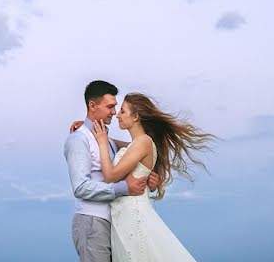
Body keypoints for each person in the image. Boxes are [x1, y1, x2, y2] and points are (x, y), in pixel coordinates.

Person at [91, 92, 215, 261]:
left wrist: (102, 143)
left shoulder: (143, 142)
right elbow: (127, 147)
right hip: (124, 216)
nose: (118, 116)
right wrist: (90, 134)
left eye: (123, 111)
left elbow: (110, 176)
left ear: (135, 117)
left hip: (132, 216)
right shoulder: (139, 144)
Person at [64, 81, 161, 262]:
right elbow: (80, 187)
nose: (114, 112)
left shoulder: (107, 141)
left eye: (117, 107)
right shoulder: (79, 140)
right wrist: (124, 188)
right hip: (92, 222)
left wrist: (148, 177)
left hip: (116, 224)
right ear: (92, 106)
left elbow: (140, 150)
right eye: (110, 106)